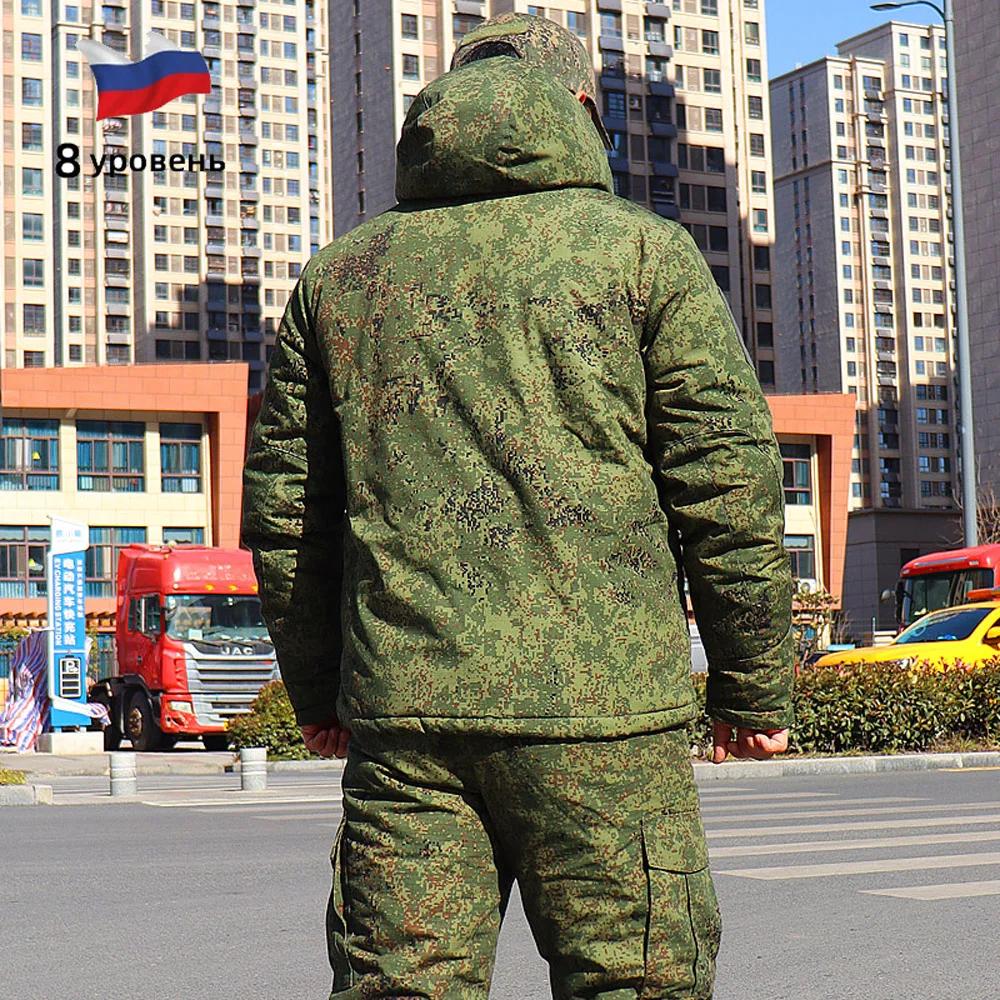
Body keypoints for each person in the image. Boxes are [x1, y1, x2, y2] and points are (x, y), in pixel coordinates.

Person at [242, 13, 793, 999]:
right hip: (606, 724)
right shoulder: (642, 255)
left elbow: (290, 514)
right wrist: (751, 692)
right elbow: (727, 484)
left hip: (407, 723)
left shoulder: (342, 277)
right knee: (634, 982)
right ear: (578, 107)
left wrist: (319, 692)